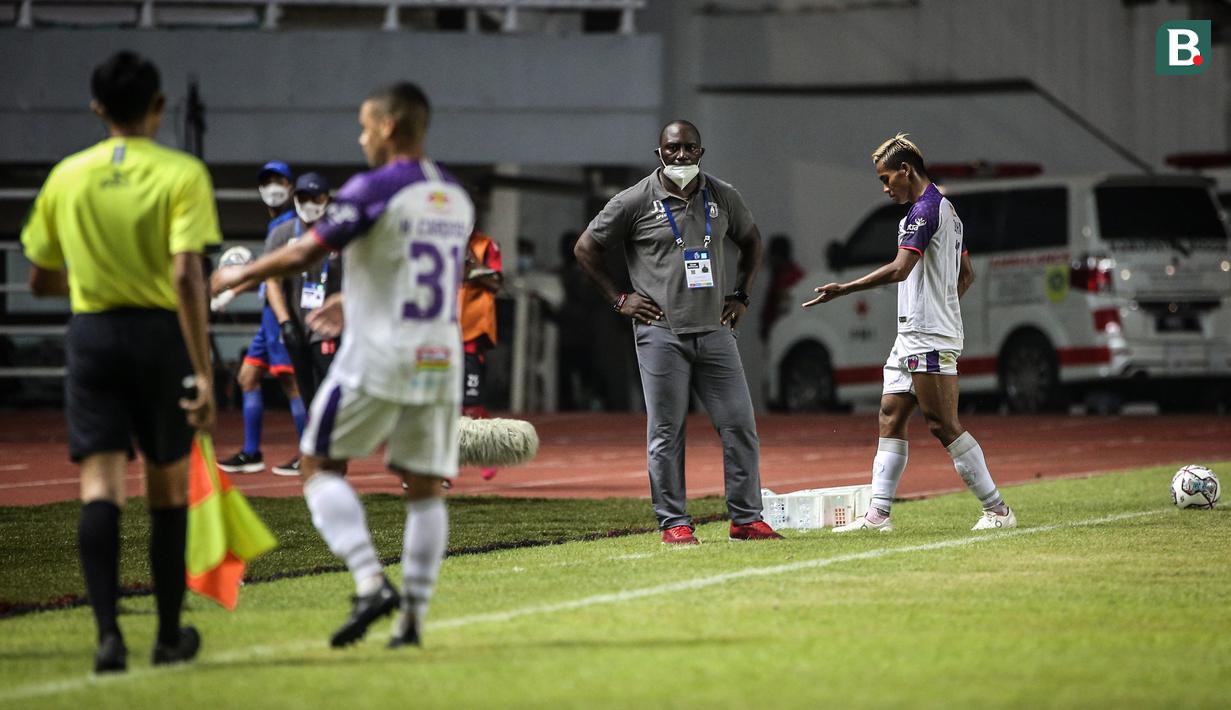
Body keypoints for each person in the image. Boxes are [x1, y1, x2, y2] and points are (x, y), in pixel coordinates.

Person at [212, 81, 473, 649]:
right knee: (425, 488)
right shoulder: (454, 193)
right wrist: (353, 299)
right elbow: (425, 274)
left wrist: (239, 275)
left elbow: (308, 251)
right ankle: (411, 622)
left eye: (363, 125)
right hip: (438, 355)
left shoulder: (374, 186)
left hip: (379, 355)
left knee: (317, 465)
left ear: (387, 126)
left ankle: (369, 580)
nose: (359, 137)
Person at [20, 50, 218, 672]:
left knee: (100, 487)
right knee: (166, 486)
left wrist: (92, 280)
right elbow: (187, 274)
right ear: (158, 106)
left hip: (94, 334)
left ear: (96, 108)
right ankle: (166, 637)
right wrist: (204, 368)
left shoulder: (67, 176)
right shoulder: (182, 174)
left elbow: (39, 279)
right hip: (161, 337)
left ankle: (108, 637)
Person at [573, 120, 783, 544]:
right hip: (660, 332)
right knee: (666, 431)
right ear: (659, 154)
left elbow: (753, 241)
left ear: (701, 152)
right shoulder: (634, 200)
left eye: (689, 148)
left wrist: (741, 294)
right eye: (673, 149)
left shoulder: (722, 196)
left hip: (715, 331)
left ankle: (745, 519)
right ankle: (674, 522)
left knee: (740, 425)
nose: (681, 157)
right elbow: (585, 248)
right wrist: (619, 299)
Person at [803, 133, 1016, 532]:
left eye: (887, 179)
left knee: (943, 424)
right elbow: (966, 273)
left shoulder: (924, 211)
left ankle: (999, 511)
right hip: (915, 334)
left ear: (906, 170)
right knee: (890, 415)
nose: (885, 188)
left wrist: (845, 288)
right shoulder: (947, 209)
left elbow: (901, 268)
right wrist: (942, 305)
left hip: (928, 335)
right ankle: (878, 515)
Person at [217, 161, 308, 476]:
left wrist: (231, 288)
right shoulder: (278, 226)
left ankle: (307, 455)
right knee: (247, 377)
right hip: (269, 314)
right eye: (267, 182)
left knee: (290, 382)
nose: (272, 188)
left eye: (279, 181)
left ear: (291, 186)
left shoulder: (290, 226)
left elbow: (272, 275)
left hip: (280, 313)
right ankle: (251, 452)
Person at [264, 172, 343, 474]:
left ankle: (327, 454)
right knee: (308, 394)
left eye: (316, 198)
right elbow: (272, 280)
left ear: (327, 199)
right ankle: (317, 453)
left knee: (330, 393)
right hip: (297, 324)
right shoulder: (283, 234)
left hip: (330, 329)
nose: (309, 204)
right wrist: (285, 322)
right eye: (303, 198)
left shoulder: (338, 232)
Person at [459, 229, 503, 480]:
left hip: (471, 333)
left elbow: (496, 282)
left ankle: (488, 452)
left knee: (471, 403)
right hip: (440, 334)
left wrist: (471, 262)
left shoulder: (486, 244)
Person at [759, 234, 805, 343]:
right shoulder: (783, 274)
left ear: (777, 256)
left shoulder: (791, 277)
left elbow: (785, 308)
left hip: (785, 334)